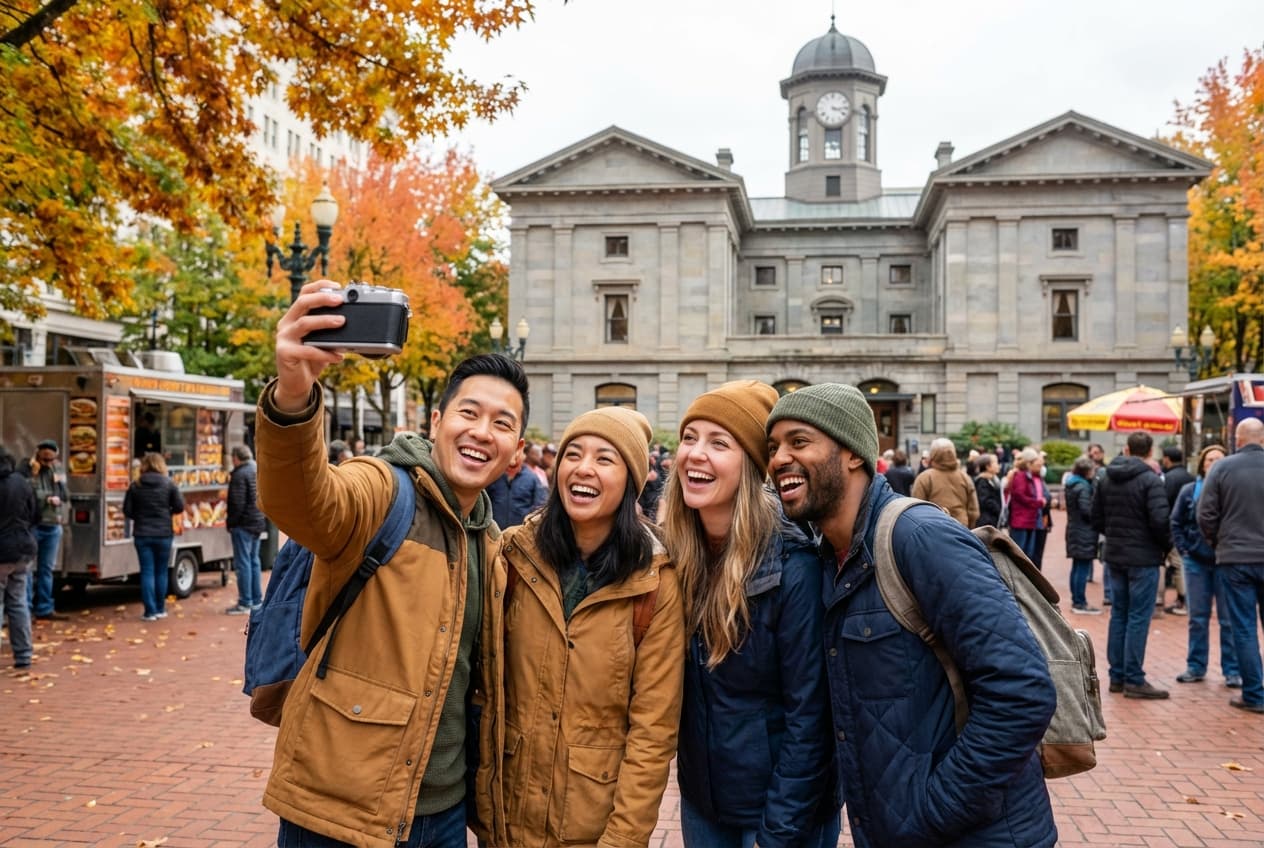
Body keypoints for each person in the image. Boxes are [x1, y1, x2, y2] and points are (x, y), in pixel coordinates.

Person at [258, 280, 527, 847]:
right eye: (469, 413)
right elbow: (304, 501)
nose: (482, 432)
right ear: (435, 422)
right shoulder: (383, 489)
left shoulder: (491, 545)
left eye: (502, 423)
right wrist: (292, 394)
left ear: (516, 450)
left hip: (444, 815)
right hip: (338, 812)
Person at [765, 383, 1057, 848]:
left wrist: (930, 815)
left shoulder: (920, 537)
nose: (779, 458)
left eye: (798, 442)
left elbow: (1022, 692)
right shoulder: (828, 558)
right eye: (774, 446)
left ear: (854, 454)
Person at [474, 407, 684, 848]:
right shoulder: (514, 555)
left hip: (591, 825)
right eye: (573, 453)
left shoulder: (655, 582)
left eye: (605, 458)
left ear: (632, 479)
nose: (583, 468)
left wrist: (623, 839)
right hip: (506, 820)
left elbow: (652, 733)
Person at [660, 382, 839, 848]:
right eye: (689, 438)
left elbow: (812, 719)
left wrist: (777, 833)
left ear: (753, 466)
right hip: (705, 804)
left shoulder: (793, 565)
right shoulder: (675, 556)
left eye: (719, 443)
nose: (695, 454)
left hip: (781, 814)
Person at [1092, 431, 1171, 699]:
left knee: (1120, 614)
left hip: (1116, 554)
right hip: (1143, 557)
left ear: (1126, 449)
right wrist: (1166, 546)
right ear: (1151, 451)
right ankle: (1134, 678)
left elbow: (1097, 517)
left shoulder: (1106, 478)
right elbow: (1160, 521)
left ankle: (1117, 676)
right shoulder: (1151, 480)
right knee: (1138, 616)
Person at [1197, 417, 1264, 714]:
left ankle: (1254, 693)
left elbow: (1205, 513)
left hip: (1235, 558)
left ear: (1237, 439)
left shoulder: (1223, 467)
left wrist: (1218, 542)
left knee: (1244, 627)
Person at [1171, 444, 1239, 687]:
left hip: (1225, 562)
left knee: (1228, 619)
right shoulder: (1189, 490)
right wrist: (1185, 549)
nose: (1214, 463)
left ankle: (1232, 670)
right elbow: (1176, 521)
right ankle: (1196, 666)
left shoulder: (1232, 490)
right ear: (1202, 464)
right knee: (1197, 618)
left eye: (1219, 459)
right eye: (1210, 459)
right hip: (1195, 562)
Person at [123, 452, 184, 622]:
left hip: (142, 534)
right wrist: (166, 513)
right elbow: (179, 506)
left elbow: (127, 511)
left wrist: (140, 516)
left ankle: (149, 611)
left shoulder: (136, 485)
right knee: (161, 571)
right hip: (164, 533)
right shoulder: (169, 484)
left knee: (147, 571)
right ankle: (160, 608)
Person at [0, 445, 39, 669]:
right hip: (22, 549)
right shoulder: (21, 482)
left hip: (2, 550)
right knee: (18, 602)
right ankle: (23, 654)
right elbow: (34, 513)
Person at [23, 439, 70, 622]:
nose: (48, 463)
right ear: (38, 455)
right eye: (45, 459)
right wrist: (47, 498)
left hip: (53, 524)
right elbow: (27, 493)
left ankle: (45, 607)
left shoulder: (57, 469)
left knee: (46, 569)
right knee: (27, 569)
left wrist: (59, 484)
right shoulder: (28, 469)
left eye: (51, 459)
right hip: (35, 523)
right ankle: (26, 609)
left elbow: (66, 495)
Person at [224, 445, 266, 615]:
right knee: (254, 561)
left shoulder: (239, 475)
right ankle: (256, 600)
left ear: (236, 458)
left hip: (243, 524)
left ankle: (245, 601)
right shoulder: (257, 470)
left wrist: (231, 522)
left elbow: (237, 503)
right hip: (257, 521)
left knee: (243, 563)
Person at [910, 437, 979, 528]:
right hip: (962, 528)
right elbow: (973, 510)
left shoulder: (925, 477)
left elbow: (917, 509)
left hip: (934, 530)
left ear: (933, 455)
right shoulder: (964, 477)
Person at [1063, 456, 1102, 615]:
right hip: (1084, 530)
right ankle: (1080, 602)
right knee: (1082, 567)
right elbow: (1086, 510)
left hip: (1074, 528)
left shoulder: (1072, 484)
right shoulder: (1083, 487)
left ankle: (1076, 599)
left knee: (1077, 566)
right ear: (1086, 471)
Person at [1159, 446, 1193, 615]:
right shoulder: (1190, 477)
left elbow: (1163, 504)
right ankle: (1183, 598)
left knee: (1176, 564)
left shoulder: (1168, 478)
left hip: (1172, 526)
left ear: (1167, 459)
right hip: (1188, 527)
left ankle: (1184, 600)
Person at [1007, 448, 1049, 567]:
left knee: (1027, 554)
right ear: (1029, 463)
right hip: (1021, 520)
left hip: (1030, 519)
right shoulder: (1020, 476)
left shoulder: (1031, 476)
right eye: (1036, 463)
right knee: (1020, 554)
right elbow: (1020, 495)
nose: (1039, 466)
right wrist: (1038, 503)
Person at [486, 446, 547, 529]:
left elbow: (539, 504)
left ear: (523, 457)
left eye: (517, 455)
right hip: (493, 532)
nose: (513, 460)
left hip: (520, 533)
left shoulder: (532, 478)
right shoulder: (495, 476)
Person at [974, 453, 1003, 528]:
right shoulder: (982, 481)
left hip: (993, 519)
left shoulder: (993, 480)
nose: (998, 465)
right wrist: (998, 509)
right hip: (987, 521)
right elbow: (986, 501)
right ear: (987, 466)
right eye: (996, 462)